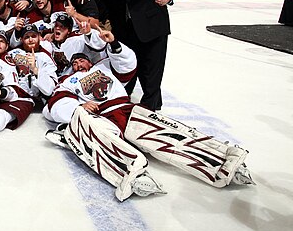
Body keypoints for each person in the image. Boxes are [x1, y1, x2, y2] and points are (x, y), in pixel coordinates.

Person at [43, 27, 253, 201]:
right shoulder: (68, 81)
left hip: (126, 109)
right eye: (75, 63)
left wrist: (114, 43)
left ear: (90, 61)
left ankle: (220, 159)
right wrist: (78, 107)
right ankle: (129, 171)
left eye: (82, 60)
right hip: (101, 116)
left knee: (166, 133)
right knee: (87, 123)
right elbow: (53, 105)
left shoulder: (105, 66)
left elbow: (127, 64)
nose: (79, 64)